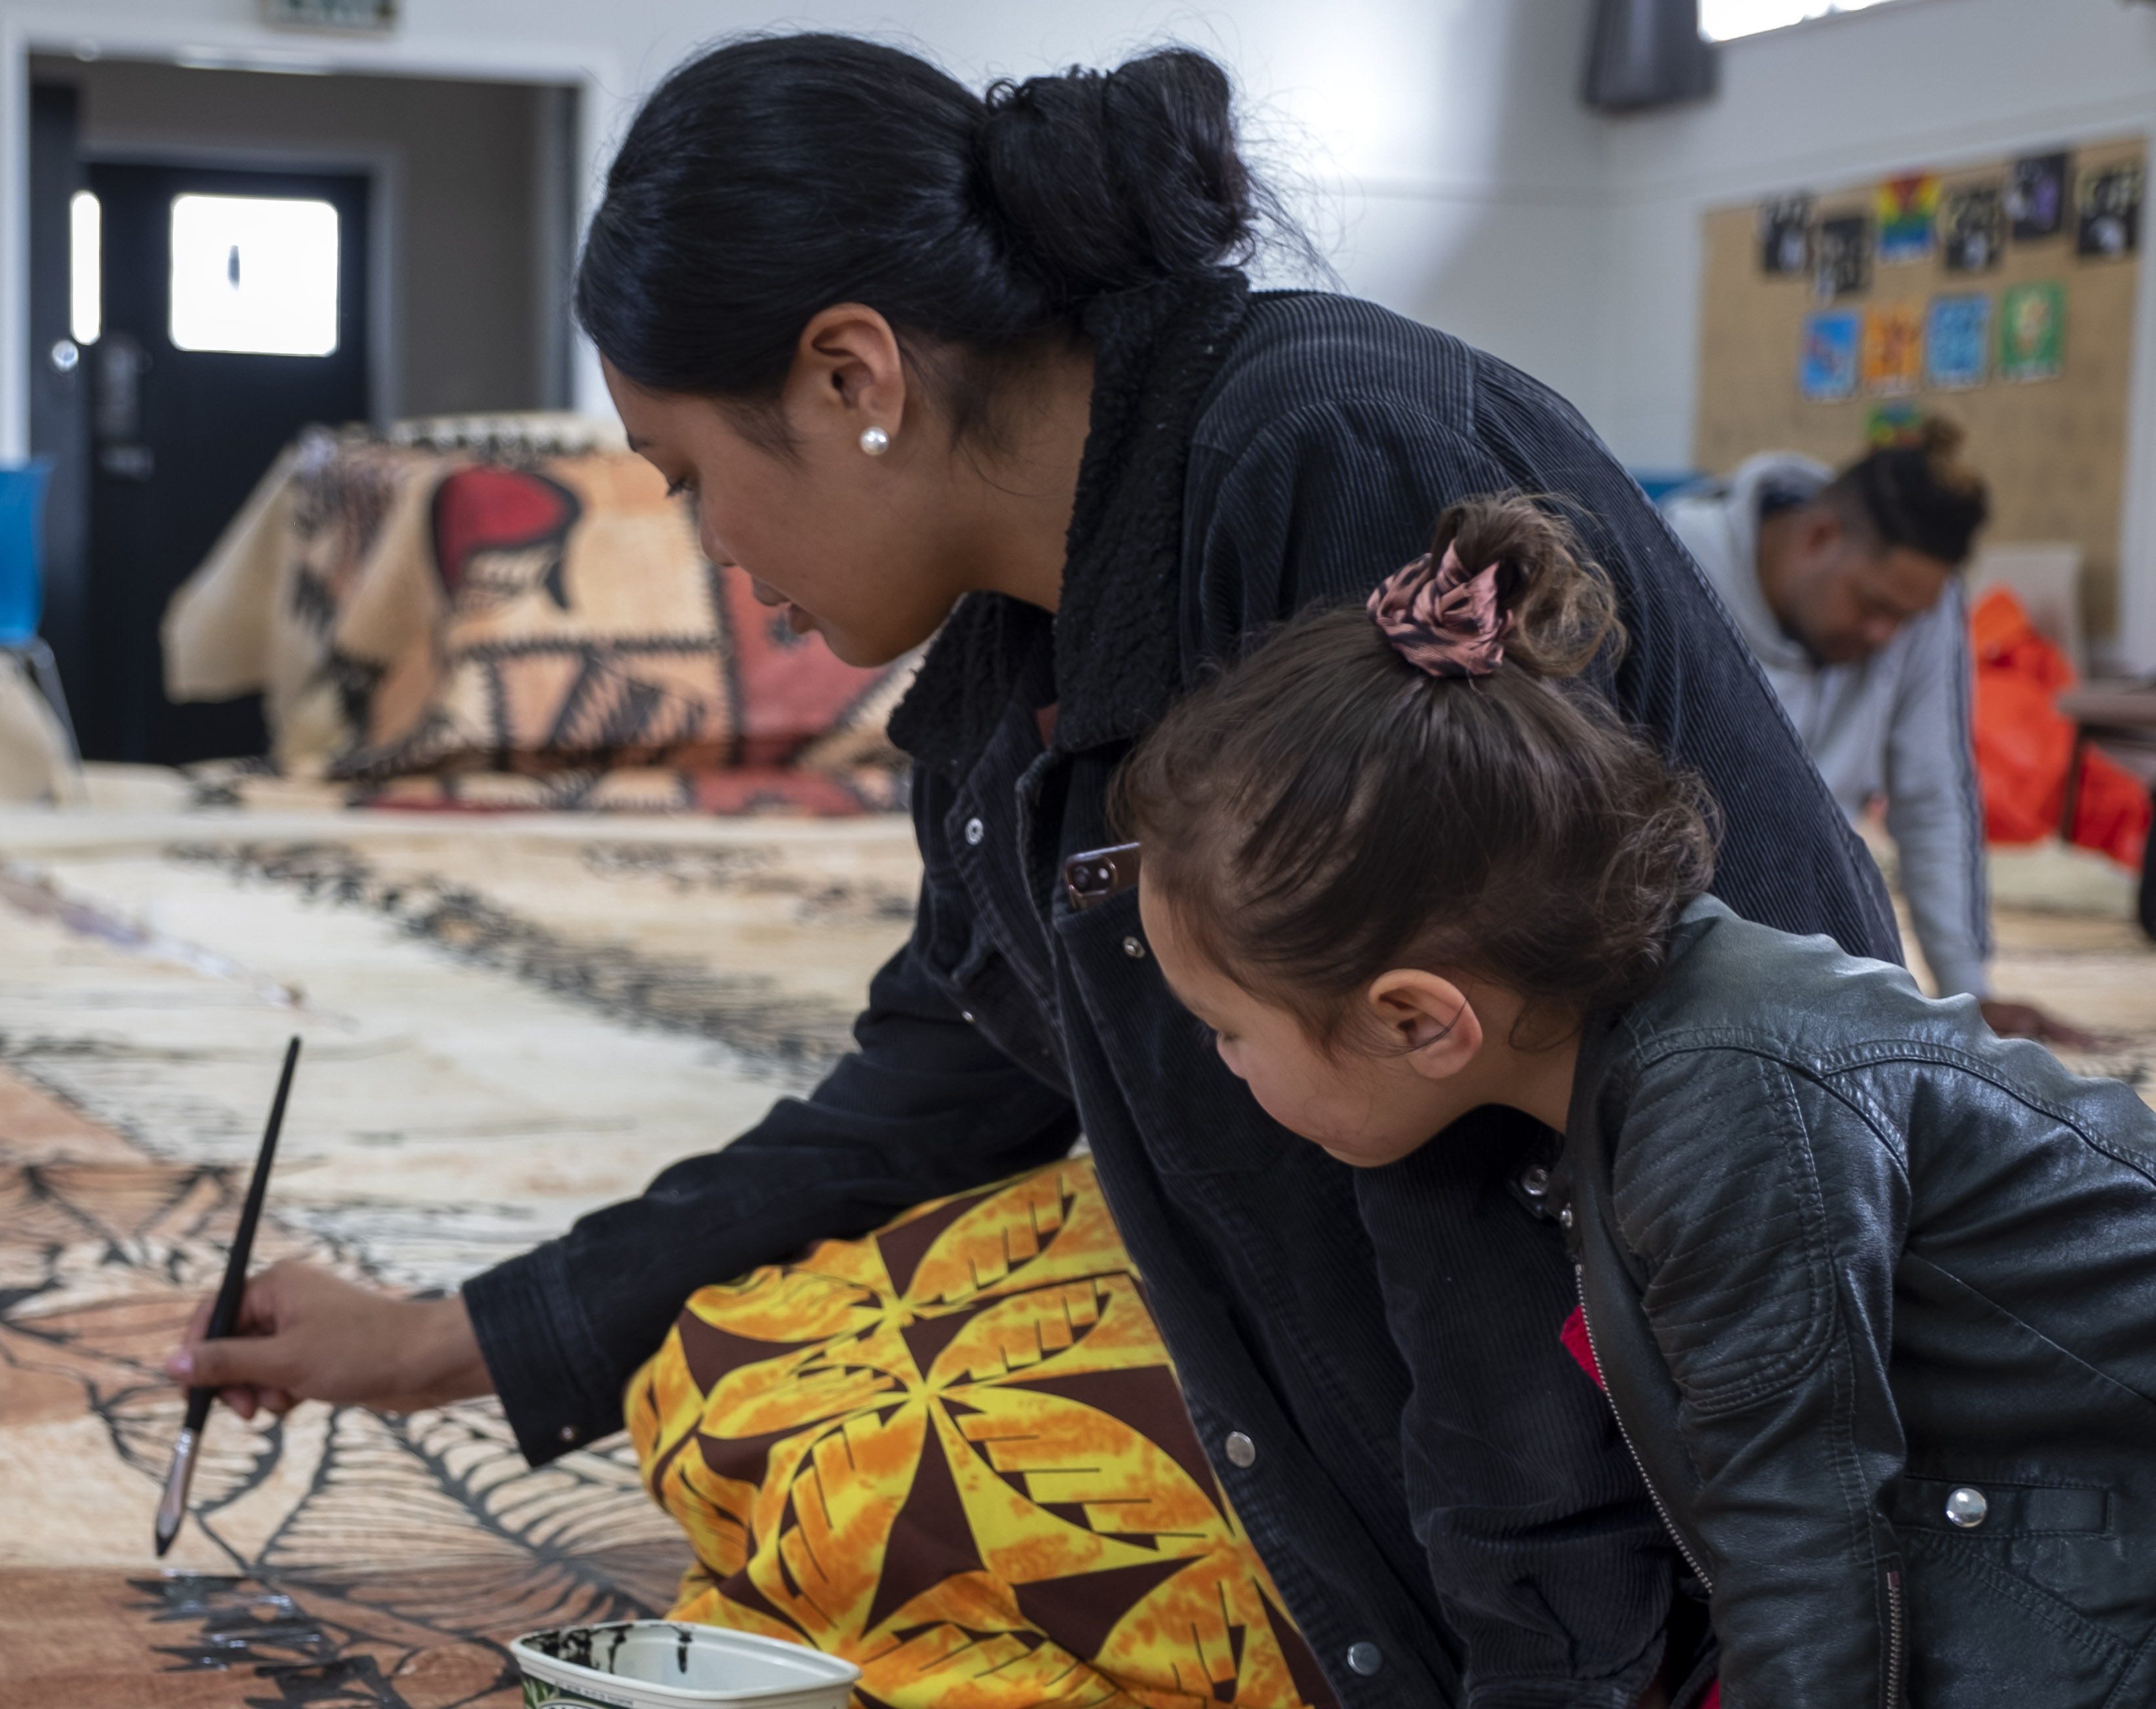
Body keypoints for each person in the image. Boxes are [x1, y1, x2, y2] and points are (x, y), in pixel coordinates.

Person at [170, 36, 1901, 1704]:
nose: (716, 550)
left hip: (1667, 1366)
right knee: (725, 1399)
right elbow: (933, 1083)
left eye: (693, 477)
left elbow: (1470, 1178)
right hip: (1374, 1256)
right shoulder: (1024, 640)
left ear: (852, 377)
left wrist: (1538, 1667)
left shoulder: (1329, 472)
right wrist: (445, 1337)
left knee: (845, 1492)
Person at [1114, 492, 2156, 1707]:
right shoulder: (1652, 1048)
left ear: (1418, 1020)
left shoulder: (1722, 1106)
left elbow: (1804, 1553)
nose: (1222, 1066)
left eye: (1226, 1031)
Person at [1663, 426, 2085, 1044]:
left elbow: (1935, 791)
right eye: (1873, 605)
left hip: (1814, 911)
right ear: (1819, 537)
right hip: (1669, 905)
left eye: (1903, 619)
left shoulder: (1924, 607)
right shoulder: (1671, 561)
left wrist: (1969, 987)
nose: (1885, 635)